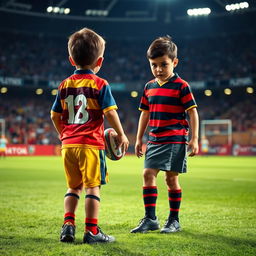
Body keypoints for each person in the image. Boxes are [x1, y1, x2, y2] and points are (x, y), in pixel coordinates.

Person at [50, 28, 129, 244]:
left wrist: (62, 135)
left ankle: (68, 226)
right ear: (100, 61)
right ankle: (92, 231)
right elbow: (110, 112)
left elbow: (54, 115)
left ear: (70, 59)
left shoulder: (64, 85)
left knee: (73, 186)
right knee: (93, 187)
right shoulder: (100, 84)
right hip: (91, 145)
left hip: (69, 145)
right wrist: (122, 134)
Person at [131, 36, 199, 234]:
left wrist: (194, 139)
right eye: (154, 65)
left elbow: (193, 112)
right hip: (155, 139)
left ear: (174, 62)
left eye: (164, 64)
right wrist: (138, 139)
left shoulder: (181, 85)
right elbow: (145, 113)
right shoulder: (149, 87)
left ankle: (173, 220)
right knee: (147, 174)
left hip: (175, 138)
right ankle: (151, 219)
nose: (158, 69)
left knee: (171, 178)